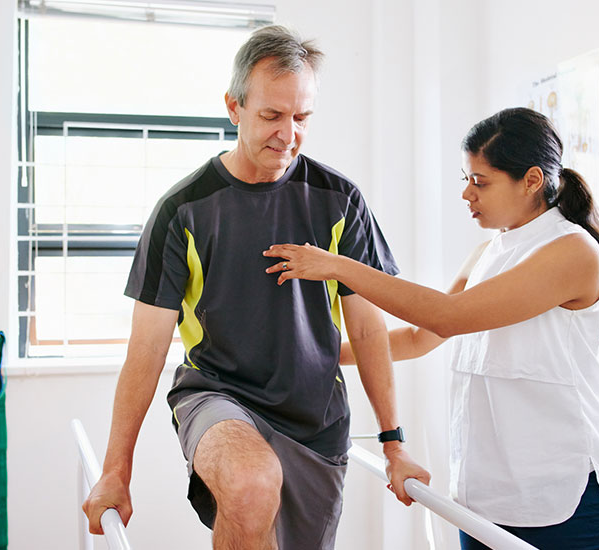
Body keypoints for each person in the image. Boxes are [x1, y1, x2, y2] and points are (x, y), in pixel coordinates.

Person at [83, 25, 430, 550]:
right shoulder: (183, 210)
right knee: (250, 485)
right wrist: (116, 470)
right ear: (234, 107)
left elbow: (366, 328)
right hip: (216, 395)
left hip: (315, 421)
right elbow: (147, 347)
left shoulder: (341, 200)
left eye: (302, 118)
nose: (288, 134)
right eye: (271, 115)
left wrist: (394, 444)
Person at [264, 107, 599, 550]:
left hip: (564, 496)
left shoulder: (572, 252)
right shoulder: (489, 252)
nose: (467, 194)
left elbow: (446, 315)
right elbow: (420, 337)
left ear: (532, 180)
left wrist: (338, 266)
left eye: (480, 182)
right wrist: (318, 353)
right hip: (485, 499)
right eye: (466, 179)